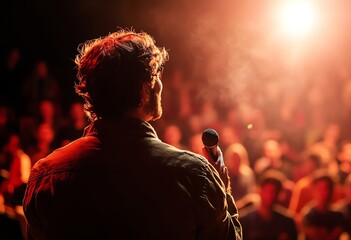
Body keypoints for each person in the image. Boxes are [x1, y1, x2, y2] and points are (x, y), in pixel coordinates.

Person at [23, 29, 242, 240]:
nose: (159, 83)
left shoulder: (46, 175)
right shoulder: (195, 176)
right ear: (144, 89)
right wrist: (222, 191)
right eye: (156, 75)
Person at [239, 170, 298, 240]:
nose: (270, 196)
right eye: (268, 191)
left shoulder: (288, 222)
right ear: (260, 191)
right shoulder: (244, 221)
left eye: (274, 192)